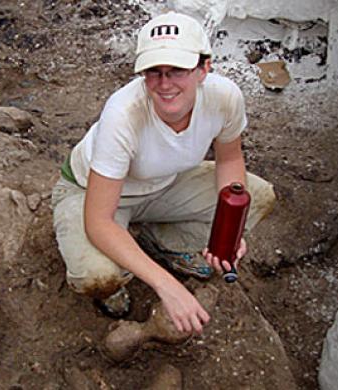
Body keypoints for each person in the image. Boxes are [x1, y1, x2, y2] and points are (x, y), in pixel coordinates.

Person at [51, 12, 276, 335]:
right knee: (97, 275)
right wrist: (167, 286)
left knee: (256, 198)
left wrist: (231, 228)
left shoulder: (225, 97)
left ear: (203, 68)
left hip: (164, 184)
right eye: (153, 72)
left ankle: (161, 243)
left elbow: (229, 160)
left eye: (177, 70)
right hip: (89, 193)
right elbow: (98, 221)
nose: (165, 84)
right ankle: (121, 270)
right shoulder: (123, 114)